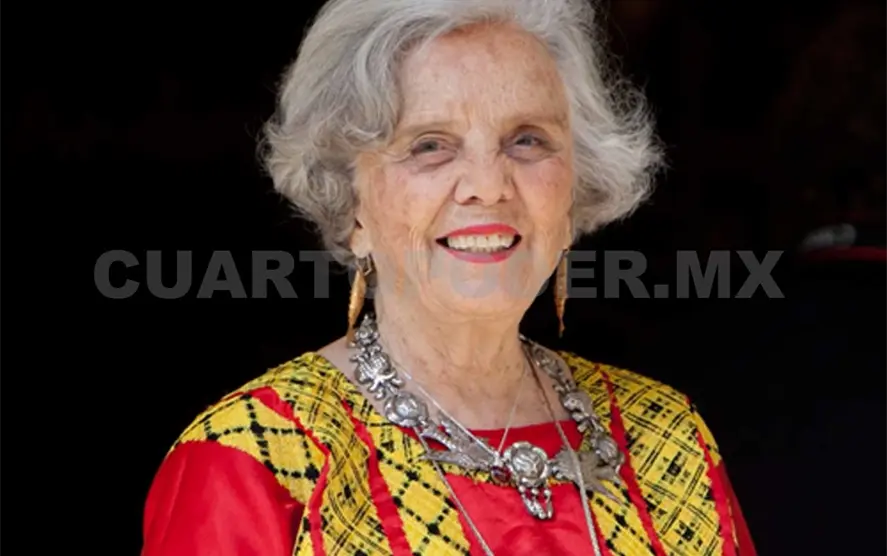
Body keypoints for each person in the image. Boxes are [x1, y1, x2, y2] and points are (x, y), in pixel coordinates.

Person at [140, 1, 755, 554]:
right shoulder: (255, 460)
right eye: (430, 145)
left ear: (575, 189)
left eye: (526, 140)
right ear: (351, 204)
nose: (487, 185)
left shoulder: (668, 437)